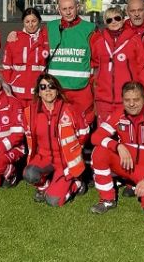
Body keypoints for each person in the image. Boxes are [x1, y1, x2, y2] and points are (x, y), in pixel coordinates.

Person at [89, 81, 144, 215]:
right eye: (127, 100)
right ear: (122, 100)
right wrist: (118, 146)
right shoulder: (119, 114)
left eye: (136, 99)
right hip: (128, 167)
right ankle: (107, 199)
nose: (131, 104)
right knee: (100, 152)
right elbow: (96, 137)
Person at [23, 73, 89, 205]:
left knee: (53, 200)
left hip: (65, 162)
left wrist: (75, 152)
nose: (47, 90)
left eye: (51, 86)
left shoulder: (69, 110)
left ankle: (76, 183)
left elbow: (84, 132)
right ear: (39, 92)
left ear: (57, 91)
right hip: (44, 158)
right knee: (30, 173)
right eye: (43, 87)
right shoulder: (29, 112)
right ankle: (44, 186)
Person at [90, 6, 144, 122]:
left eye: (117, 18)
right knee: (104, 136)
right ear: (105, 23)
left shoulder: (134, 40)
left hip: (128, 99)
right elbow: (95, 67)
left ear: (123, 19)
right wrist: (95, 96)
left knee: (126, 135)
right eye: (109, 20)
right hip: (104, 100)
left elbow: (142, 68)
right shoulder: (98, 41)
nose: (113, 22)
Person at [45, 0, 97, 125]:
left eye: (71, 8)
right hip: (56, 89)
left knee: (83, 124)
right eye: (64, 9)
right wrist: (17, 33)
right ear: (59, 10)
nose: (68, 12)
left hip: (81, 88)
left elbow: (97, 58)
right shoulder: (49, 27)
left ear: (77, 7)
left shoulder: (89, 29)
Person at [1, 7, 48, 107]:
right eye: (27, 21)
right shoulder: (15, 38)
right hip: (17, 93)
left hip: (39, 92)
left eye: (34, 21)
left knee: (36, 121)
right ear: (23, 22)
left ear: (39, 21)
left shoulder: (46, 38)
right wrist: (9, 84)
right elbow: (6, 66)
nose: (30, 25)